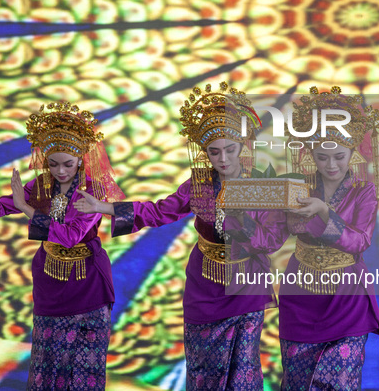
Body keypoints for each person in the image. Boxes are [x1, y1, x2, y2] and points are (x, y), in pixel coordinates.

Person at [74, 82, 285, 390]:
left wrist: (243, 224)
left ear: (243, 147)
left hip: (246, 282)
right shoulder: (198, 184)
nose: (223, 159)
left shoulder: (260, 185)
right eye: (214, 152)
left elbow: (273, 240)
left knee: (242, 369)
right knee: (204, 364)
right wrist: (102, 206)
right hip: (205, 280)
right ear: (205, 153)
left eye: (230, 149)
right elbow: (159, 212)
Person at [0, 101, 124, 390]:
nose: (60, 171)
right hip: (50, 280)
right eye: (53, 163)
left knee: (84, 364)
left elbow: (70, 236)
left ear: (81, 159)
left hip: (88, 282)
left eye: (67, 164)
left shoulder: (93, 190)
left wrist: (25, 207)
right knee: (48, 360)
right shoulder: (40, 186)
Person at [278, 86, 379, 390]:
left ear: (353, 152)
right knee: (298, 380)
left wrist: (325, 213)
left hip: (346, 295)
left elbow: (359, 242)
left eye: (339, 156)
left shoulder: (364, 191)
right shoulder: (298, 185)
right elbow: (279, 233)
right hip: (299, 289)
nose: (331, 165)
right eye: (322, 157)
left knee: (340, 380)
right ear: (310, 154)